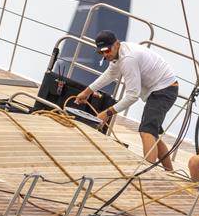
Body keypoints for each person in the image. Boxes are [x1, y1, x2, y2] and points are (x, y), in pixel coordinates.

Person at [74, 30, 178, 171]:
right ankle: (170, 172)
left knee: (146, 130)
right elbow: (111, 74)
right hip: (160, 88)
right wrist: (87, 92)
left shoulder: (128, 59)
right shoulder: (118, 54)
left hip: (164, 89)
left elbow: (132, 95)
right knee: (153, 133)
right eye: (100, 53)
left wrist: (107, 113)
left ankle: (146, 174)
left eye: (107, 50)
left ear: (116, 44)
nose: (105, 55)